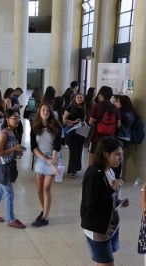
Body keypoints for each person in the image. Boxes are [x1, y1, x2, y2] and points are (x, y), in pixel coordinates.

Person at [80, 137, 129, 265]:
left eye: (121, 154)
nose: (121, 158)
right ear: (106, 154)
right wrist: (112, 190)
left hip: (108, 226)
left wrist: (119, 201)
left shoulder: (110, 170)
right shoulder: (94, 174)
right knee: (107, 263)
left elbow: (107, 198)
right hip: (97, 228)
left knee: (101, 262)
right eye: (117, 154)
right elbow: (92, 204)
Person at [0, 109, 26, 229]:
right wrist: (14, 149)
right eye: (14, 118)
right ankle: (11, 219)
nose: (17, 120)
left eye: (18, 118)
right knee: (9, 193)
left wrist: (17, 152)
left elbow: (9, 149)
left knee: (0, 190)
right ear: (7, 119)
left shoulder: (12, 132)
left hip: (8, 164)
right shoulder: (3, 133)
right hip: (3, 167)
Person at [30, 103, 62, 227]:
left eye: (48, 110)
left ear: (51, 112)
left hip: (53, 157)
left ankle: (45, 217)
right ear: (39, 111)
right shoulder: (35, 126)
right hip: (40, 157)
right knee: (39, 189)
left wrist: (53, 161)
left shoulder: (56, 125)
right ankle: (44, 210)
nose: (45, 112)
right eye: (43, 110)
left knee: (46, 188)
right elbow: (33, 147)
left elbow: (57, 145)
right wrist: (45, 159)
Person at [88, 86, 121, 166]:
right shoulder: (115, 108)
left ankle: (92, 175)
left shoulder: (96, 106)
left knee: (93, 160)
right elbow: (118, 125)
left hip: (96, 137)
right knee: (106, 160)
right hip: (110, 138)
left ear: (101, 95)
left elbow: (90, 122)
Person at [63, 93, 85, 176]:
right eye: (78, 97)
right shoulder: (70, 107)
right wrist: (74, 122)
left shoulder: (84, 108)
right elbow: (64, 120)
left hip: (82, 129)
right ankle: (72, 170)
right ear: (74, 98)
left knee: (79, 149)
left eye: (81, 97)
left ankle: (76, 168)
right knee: (73, 150)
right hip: (71, 130)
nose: (79, 99)